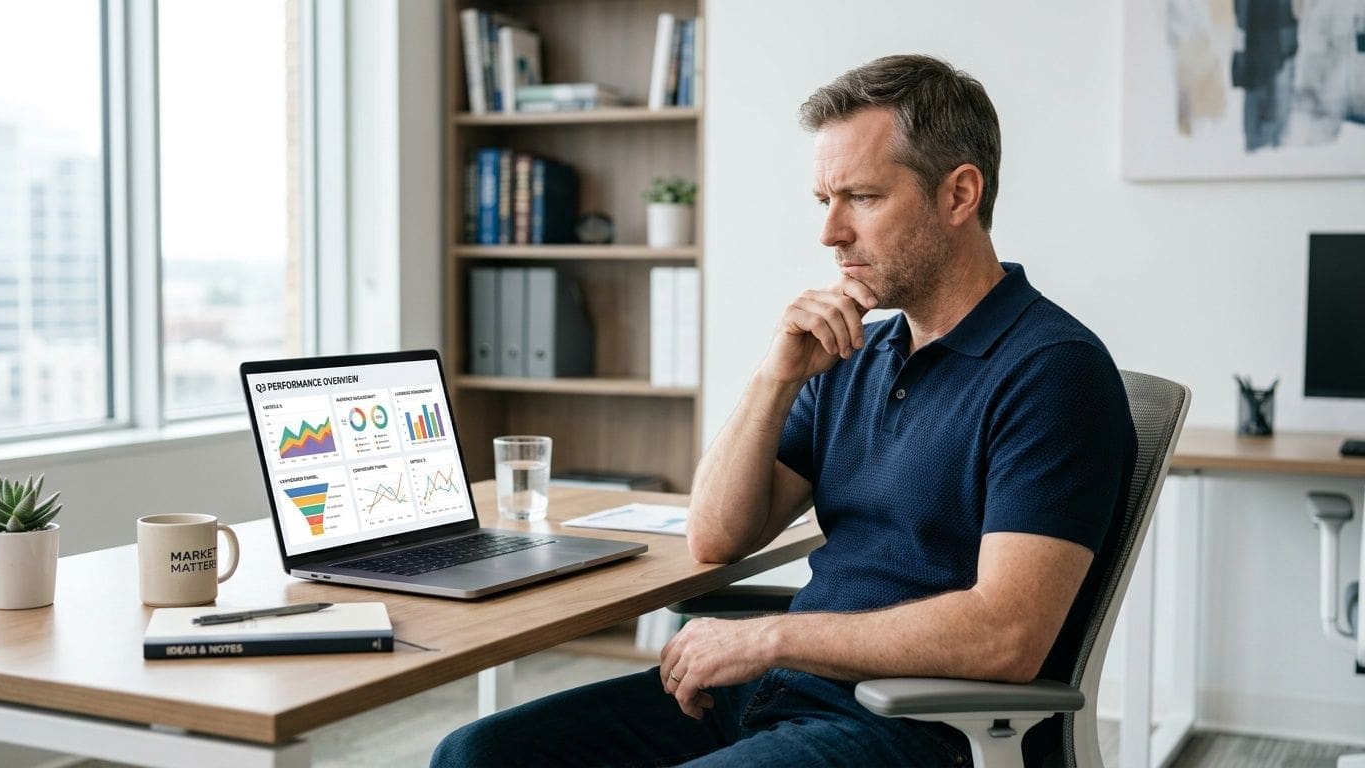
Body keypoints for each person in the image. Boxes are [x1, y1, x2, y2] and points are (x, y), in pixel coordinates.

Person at [432, 53, 1136, 768]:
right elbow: (716, 537)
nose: (830, 233)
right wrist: (776, 377)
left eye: (861, 197)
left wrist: (769, 637)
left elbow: (1006, 636)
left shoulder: (1053, 372)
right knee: (476, 754)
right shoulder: (854, 353)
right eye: (824, 200)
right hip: (786, 690)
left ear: (959, 194)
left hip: (917, 725)